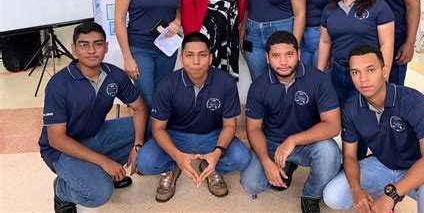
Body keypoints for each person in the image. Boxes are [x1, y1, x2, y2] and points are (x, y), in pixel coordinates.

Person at [323, 45, 424, 213]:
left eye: (370, 70)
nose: (363, 79)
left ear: (384, 71)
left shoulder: (413, 101)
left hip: (422, 166)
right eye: (355, 72)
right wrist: (356, 190)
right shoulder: (351, 107)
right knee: (333, 195)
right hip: (383, 164)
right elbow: (349, 155)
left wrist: (392, 195)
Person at [38, 22, 148, 212]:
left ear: (105, 47)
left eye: (97, 44)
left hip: (95, 135)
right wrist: (105, 162)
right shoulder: (59, 84)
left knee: (151, 128)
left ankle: (99, 173)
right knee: (98, 193)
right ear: (74, 48)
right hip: (60, 150)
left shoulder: (114, 75)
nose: (91, 50)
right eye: (83, 44)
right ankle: (62, 190)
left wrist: (137, 146)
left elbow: (140, 108)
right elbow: (56, 139)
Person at [136, 32, 250, 202]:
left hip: (212, 135)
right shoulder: (167, 84)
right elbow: (158, 129)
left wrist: (217, 153)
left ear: (210, 58)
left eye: (202, 55)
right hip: (175, 135)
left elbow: (229, 126)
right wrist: (177, 155)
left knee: (242, 158)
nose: (196, 62)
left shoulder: (226, 82)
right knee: (144, 162)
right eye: (190, 55)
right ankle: (174, 167)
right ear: (181, 58)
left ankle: (210, 166)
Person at [241, 31, 341, 213]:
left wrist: (293, 140)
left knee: (330, 152)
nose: (283, 62)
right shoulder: (259, 86)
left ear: (299, 54)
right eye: (276, 56)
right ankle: (284, 164)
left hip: (306, 142)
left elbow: (333, 126)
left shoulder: (318, 79)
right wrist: (265, 161)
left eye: (289, 55)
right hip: (271, 142)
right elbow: (254, 129)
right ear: (267, 58)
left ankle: (311, 195)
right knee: (251, 184)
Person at [317, 0, 394, 105]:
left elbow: (387, 44)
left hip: (366, 74)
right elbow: (325, 42)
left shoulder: (379, 7)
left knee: (362, 116)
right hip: (337, 72)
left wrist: (384, 77)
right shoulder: (330, 9)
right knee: (337, 114)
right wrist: (320, 73)